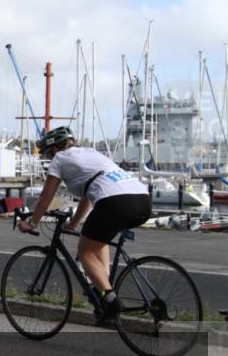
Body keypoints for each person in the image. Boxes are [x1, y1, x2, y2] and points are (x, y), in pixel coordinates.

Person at [18, 126, 151, 324]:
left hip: (114, 202)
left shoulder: (60, 159)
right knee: (99, 239)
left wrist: (32, 222)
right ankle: (104, 288)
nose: (47, 157)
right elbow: (87, 198)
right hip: (142, 199)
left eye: (47, 152)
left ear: (54, 149)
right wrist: (73, 224)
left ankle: (111, 300)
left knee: (86, 252)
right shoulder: (91, 153)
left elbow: (46, 197)